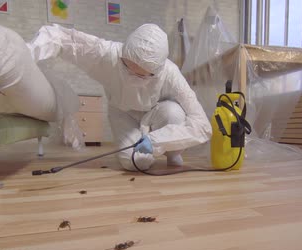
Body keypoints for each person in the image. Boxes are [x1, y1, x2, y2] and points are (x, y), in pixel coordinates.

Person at [27, 23, 212, 171]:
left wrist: (158, 140)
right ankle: (145, 145)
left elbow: (203, 126)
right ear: (123, 54)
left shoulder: (171, 73)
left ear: (157, 70)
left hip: (156, 111)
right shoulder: (108, 54)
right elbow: (59, 37)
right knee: (135, 162)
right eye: (127, 67)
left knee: (175, 113)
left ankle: (172, 153)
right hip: (122, 112)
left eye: (141, 75)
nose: (132, 77)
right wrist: (26, 55)